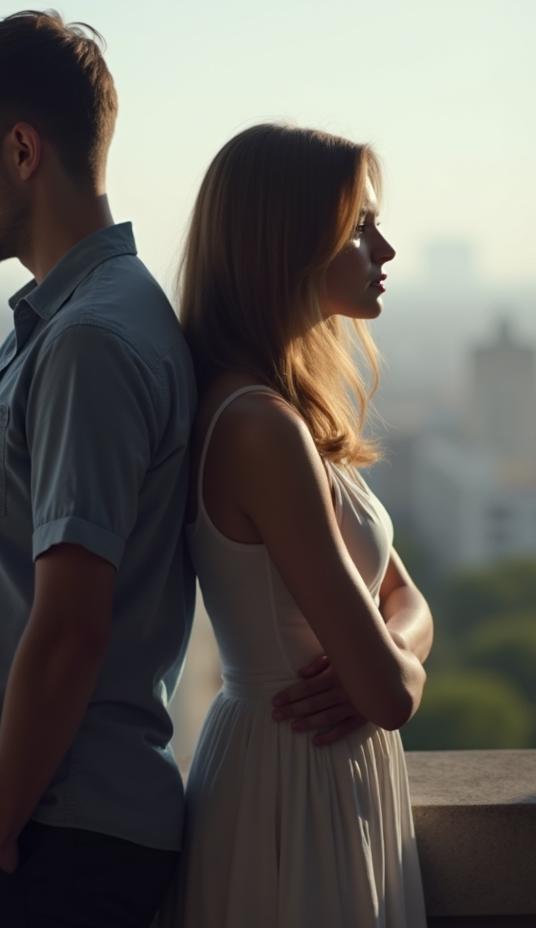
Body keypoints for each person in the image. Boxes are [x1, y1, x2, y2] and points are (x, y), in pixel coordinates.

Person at [0, 11, 196, 928]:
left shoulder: (88, 343)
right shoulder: (83, 321)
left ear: (22, 150)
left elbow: (71, 626)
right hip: (57, 835)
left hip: (51, 844)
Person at [162, 124, 432, 927]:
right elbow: (388, 691)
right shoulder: (258, 428)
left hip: (308, 768)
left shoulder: (287, 413)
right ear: (288, 241)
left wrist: (384, 658)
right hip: (294, 777)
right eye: (359, 226)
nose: (384, 248)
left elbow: (403, 596)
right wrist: (392, 674)